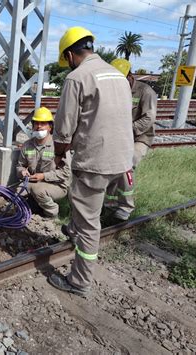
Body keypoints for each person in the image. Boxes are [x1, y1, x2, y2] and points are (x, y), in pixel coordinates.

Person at [47, 27, 134, 297]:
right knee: (82, 201)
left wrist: (59, 153)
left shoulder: (77, 77)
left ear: (71, 54)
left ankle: (79, 281)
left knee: (89, 223)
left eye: (67, 60)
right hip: (122, 159)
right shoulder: (117, 75)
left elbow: (63, 127)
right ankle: (74, 229)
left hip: (95, 160)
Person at [104, 58, 157, 222]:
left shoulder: (145, 92)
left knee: (127, 164)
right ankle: (110, 204)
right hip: (119, 137)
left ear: (130, 76)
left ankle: (126, 207)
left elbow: (149, 118)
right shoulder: (114, 90)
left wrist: (128, 130)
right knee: (111, 166)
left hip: (139, 137)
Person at [16, 107, 71, 219]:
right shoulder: (27, 145)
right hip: (33, 182)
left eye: (43, 123)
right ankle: (30, 213)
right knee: (17, 194)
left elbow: (66, 173)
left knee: (38, 191)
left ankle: (52, 214)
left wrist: (43, 176)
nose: (39, 126)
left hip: (57, 185)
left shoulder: (58, 146)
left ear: (50, 127)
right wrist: (22, 172)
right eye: (36, 123)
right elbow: (20, 166)